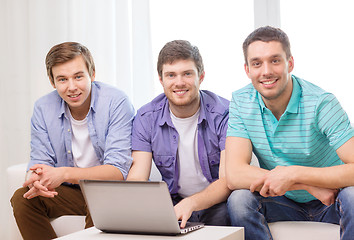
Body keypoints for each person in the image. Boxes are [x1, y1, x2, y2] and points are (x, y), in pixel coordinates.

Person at [225, 26, 354, 240]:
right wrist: (306, 185)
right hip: (282, 201)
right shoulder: (241, 101)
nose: (266, 71)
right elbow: (234, 174)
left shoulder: (321, 103)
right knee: (239, 200)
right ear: (247, 70)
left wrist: (293, 173)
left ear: (290, 63)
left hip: (331, 199)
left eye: (275, 60)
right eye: (257, 63)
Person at [10, 42, 135, 240]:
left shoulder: (116, 102)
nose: (72, 87)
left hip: (106, 189)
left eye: (78, 77)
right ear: (52, 82)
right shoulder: (43, 108)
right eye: (62, 79)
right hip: (71, 193)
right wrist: (35, 177)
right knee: (23, 198)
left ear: (92, 75)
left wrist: (64, 173)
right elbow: (40, 160)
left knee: (100, 198)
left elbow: (117, 171)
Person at [127, 40, 230, 228]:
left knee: (230, 210)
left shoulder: (224, 114)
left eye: (187, 74)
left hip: (217, 203)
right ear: (161, 80)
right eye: (171, 75)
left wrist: (191, 203)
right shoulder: (146, 117)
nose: (179, 82)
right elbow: (138, 177)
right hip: (173, 202)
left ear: (201, 76)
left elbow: (227, 181)